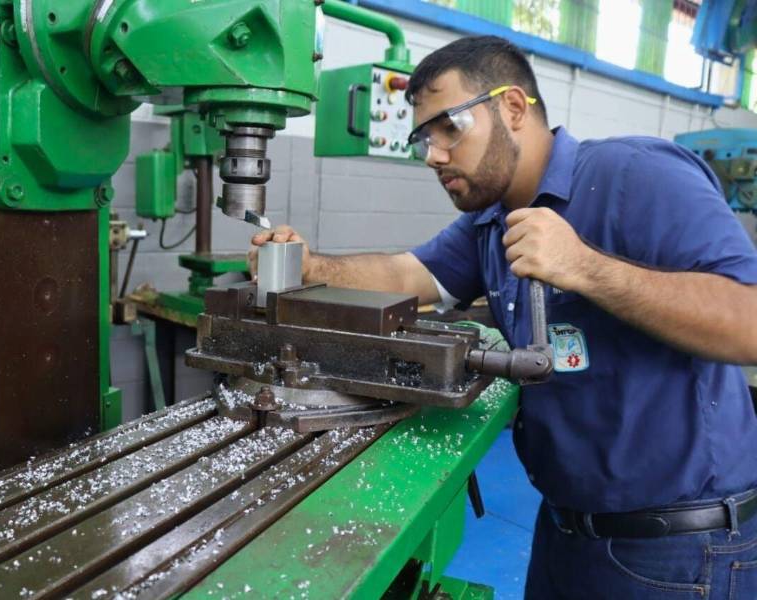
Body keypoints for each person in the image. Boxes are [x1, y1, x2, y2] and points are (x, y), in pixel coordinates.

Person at [250, 35, 757, 599]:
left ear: (513, 107)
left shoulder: (635, 175)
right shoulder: (491, 219)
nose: (433, 155)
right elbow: (408, 274)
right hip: (566, 528)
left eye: (448, 127)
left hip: (679, 550)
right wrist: (310, 265)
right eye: (423, 138)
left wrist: (584, 266)